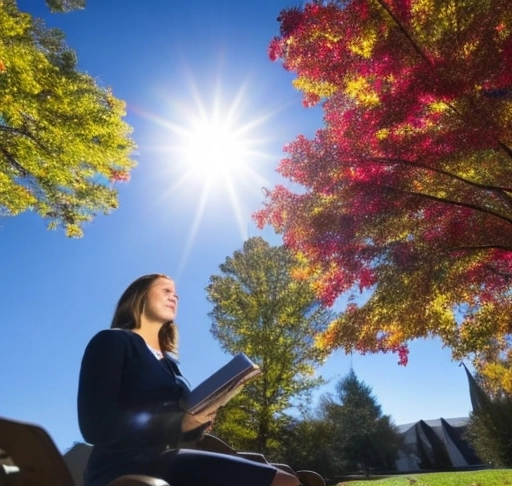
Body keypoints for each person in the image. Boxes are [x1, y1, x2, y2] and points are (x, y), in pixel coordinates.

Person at [78, 273, 299, 486]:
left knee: (288, 474)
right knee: (283, 482)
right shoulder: (112, 341)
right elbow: (95, 426)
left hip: (171, 458)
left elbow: (181, 427)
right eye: (166, 290)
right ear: (140, 297)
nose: (174, 297)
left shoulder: (171, 364)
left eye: (176, 294)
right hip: (123, 469)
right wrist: (179, 423)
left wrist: (200, 419)